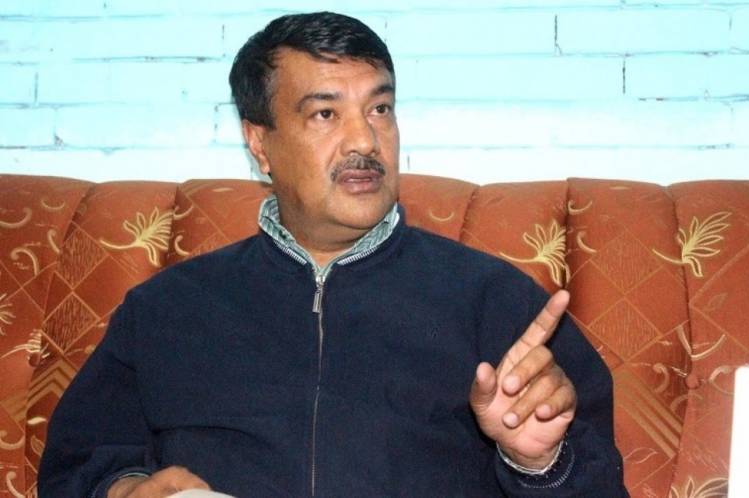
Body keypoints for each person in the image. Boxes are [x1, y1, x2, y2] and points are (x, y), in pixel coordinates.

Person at [39, 11, 627, 498]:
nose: (365, 141)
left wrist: (537, 464)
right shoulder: (167, 309)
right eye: (326, 114)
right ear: (259, 143)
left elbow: (600, 483)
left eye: (379, 109)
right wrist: (126, 491)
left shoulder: (496, 303)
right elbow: (77, 465)